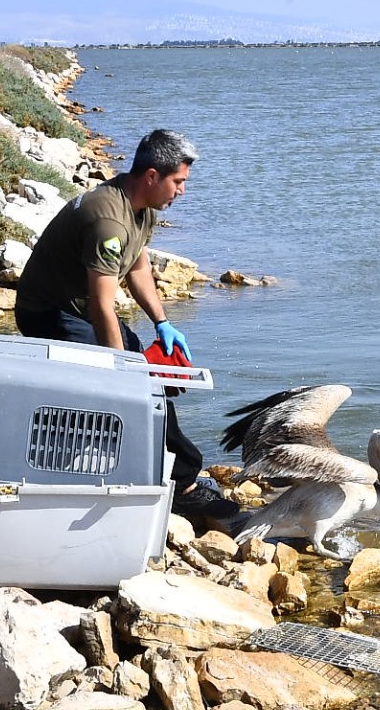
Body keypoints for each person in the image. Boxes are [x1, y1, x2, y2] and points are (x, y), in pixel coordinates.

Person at [14, 129, 238, 528]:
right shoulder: (108, 222)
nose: (182, 192)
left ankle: (165, 467)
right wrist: (120, 369)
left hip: (78, 306)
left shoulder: (142, 207)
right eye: (179, 182)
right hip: (48, 311)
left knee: (150, 380)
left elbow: (137, 268)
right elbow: (102, 304)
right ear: (152, 176)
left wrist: (163, 322)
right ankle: (178, 485)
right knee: (131, 384)